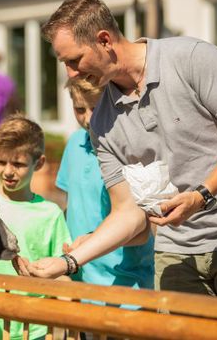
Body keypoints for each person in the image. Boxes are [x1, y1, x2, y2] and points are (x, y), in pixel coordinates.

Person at [15, 0, 217, 304]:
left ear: (104, 40)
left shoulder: (192, 57)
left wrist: (201, 195)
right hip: (176, 252)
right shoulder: (101, 122)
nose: (71, 74)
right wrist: (69, 261)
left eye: (74, 60)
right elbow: (128, 212)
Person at [0, 113, 72, 340]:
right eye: (2, 161)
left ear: (40, 164)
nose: (8, 171)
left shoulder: (51, 214)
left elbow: (62, 270)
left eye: (18, 164)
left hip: (33, 329)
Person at [56, 78, 154, 295]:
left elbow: (143, 229)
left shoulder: (130, 150)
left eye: (95, 107)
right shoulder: (74, 144)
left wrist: (92, 239)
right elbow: (72, 208)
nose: (88, 118)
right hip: (80, 280)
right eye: (79, 109)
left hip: (126, 284)